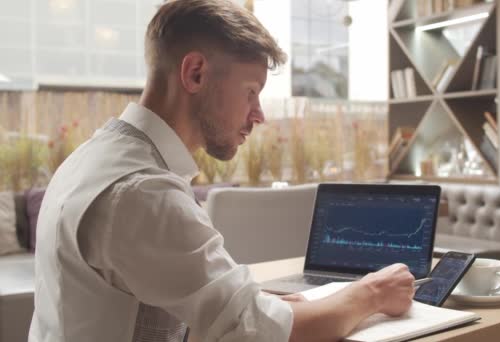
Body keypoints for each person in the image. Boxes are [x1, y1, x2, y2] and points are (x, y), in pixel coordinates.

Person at [28, 1, 415, 341]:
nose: (259, 115)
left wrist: (262, 305)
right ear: (195, 73)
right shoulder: (140, 192)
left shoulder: (94, 158)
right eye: (251, 91)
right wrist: (372, 293)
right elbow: (260, 332)